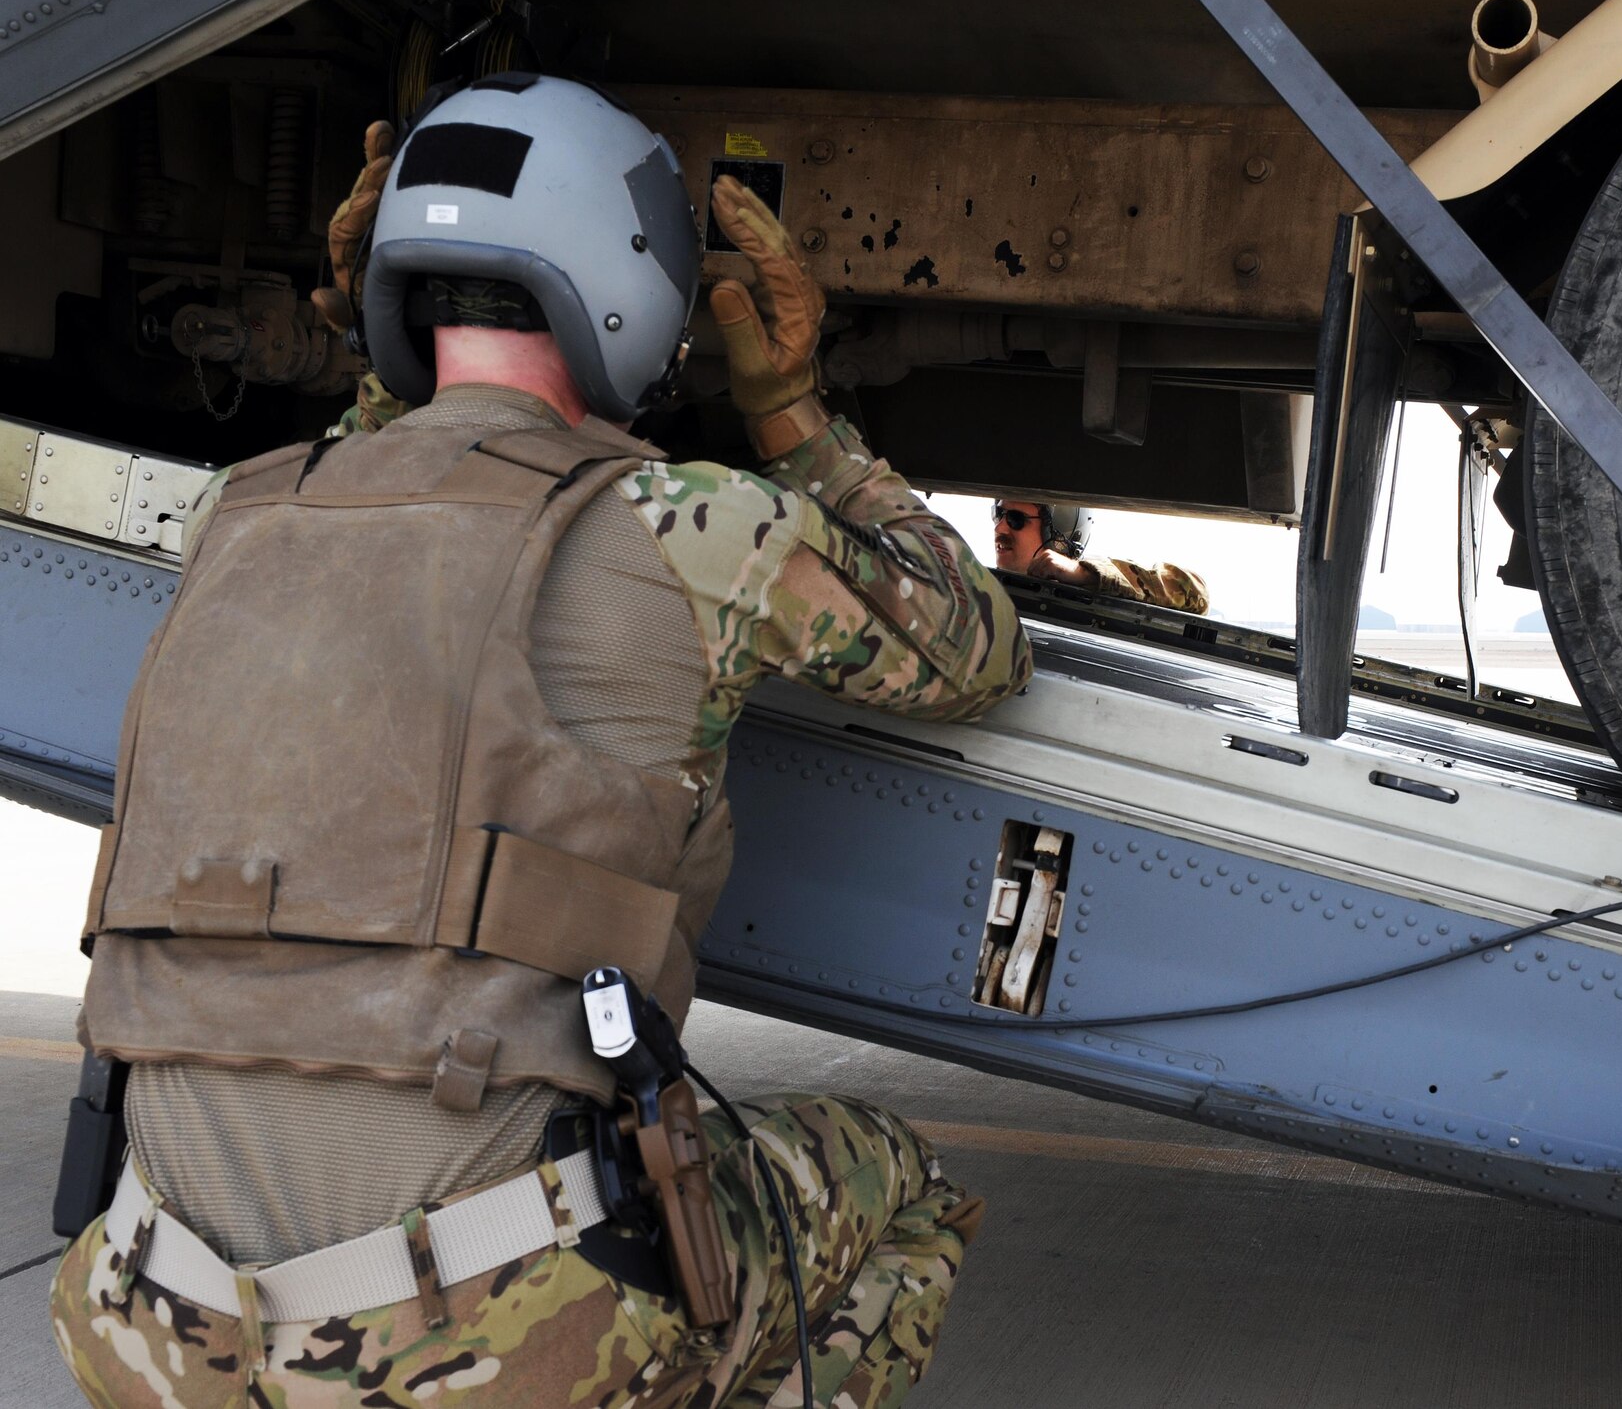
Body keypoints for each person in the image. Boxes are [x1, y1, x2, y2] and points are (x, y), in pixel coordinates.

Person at [50, 76, 1030, 1408]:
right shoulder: (698, 529)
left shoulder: (234, 517)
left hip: (147, 1323)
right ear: (633, 290)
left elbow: (396, 523)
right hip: (471, 1350)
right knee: (899, 1186)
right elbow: (975, 645)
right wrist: (795, 413)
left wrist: (375, 386)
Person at [991, 497, 1210, 613]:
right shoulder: (981, 594)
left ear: (1058, 532)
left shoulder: (1093, 600)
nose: (999, 528)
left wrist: (1085, 574)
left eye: (1015, 519)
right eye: (999, 514)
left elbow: (1196, 593)